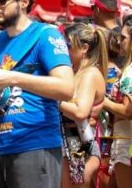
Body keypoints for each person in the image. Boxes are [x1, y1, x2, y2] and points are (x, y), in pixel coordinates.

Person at [0, 0, 74, 188]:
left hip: (34, 145)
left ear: (24, 1)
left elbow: (66, 88)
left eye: (2, 0)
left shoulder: (47, 35)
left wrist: (12, 77)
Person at [59, 23, 108, 187]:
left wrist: (53, 98)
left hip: (80, 145)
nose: (64, 49)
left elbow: (80, 112)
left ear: (84, 47)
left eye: (68, 45)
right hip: (70, 142)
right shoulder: (74, 72)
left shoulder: (90, 74)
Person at [103, 17, 132, 187]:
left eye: (123, 37)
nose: (119, 41)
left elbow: (127, 111)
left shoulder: (129, 71)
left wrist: (103, 101)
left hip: (127, 143)